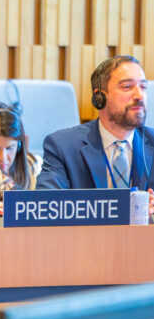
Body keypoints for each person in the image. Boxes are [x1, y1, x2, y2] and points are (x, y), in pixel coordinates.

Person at [36, 56, 154, 212]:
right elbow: (46, 207)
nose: (139, 95)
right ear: (100, 98)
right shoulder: (62, 147)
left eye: (143, 87)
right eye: (127, 87)